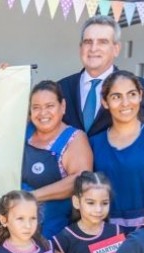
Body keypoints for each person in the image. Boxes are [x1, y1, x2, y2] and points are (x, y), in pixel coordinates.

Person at [58, 15, 144, 141]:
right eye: (88, 42)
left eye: (102, 42)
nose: (93, 48)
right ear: (81, 48)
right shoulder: (60, 88)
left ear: (116, 49)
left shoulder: (139, 87)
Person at [90, 71, 144, 231]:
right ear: (105, 101)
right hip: (104, 234)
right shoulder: (93, 144)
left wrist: (143, 234)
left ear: (141, 96)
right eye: (116, 96)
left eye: (131, 94)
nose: (125, 103)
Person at [21, 80, 93, 239]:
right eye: (36, 108)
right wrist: (4, 76)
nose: (42, 113)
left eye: (49, 106)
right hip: (17, 225)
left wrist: (32, 196)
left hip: (52, 232)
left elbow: (80, 179)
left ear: (63, 106)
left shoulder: (74, 138)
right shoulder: (23, 132)